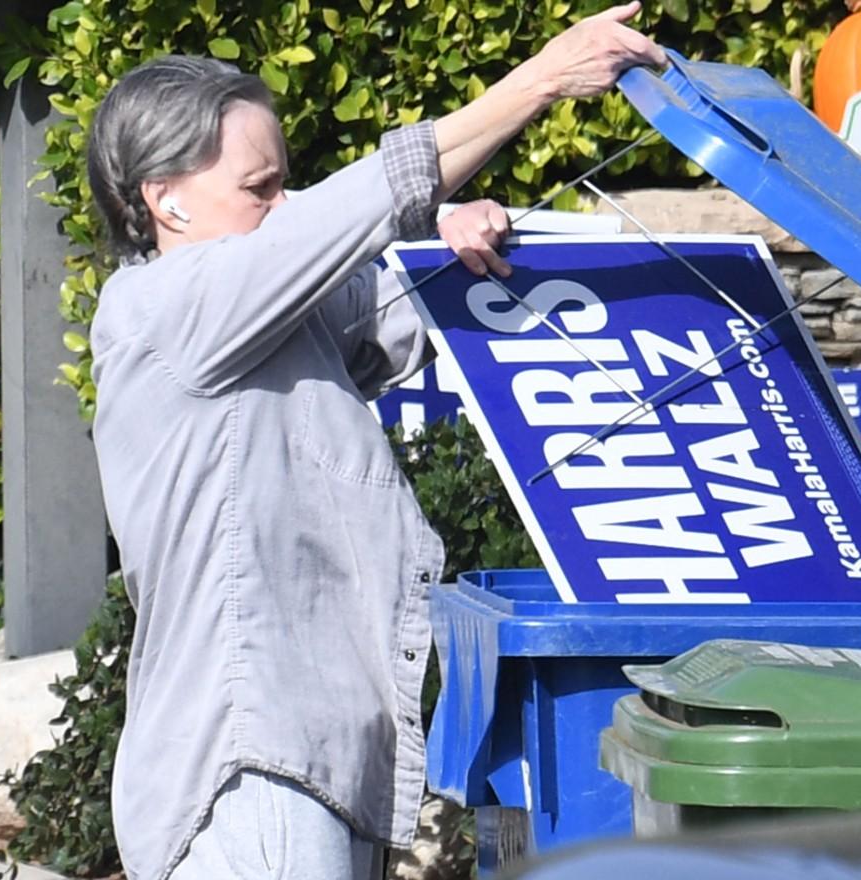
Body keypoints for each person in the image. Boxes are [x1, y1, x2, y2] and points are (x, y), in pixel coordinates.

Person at [84, 5, 665, 879]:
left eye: (285, 184)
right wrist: (542, 79)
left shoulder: (265, 315)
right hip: (252, 769)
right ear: (164, 200)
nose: (284, 207)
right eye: (261, 188)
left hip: (308, 759)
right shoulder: (166, 312)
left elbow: (382, 299)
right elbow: (362, 204)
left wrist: (447, 241)